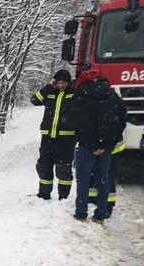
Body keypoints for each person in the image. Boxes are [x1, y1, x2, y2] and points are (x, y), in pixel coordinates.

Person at [71, 76, 127, 223]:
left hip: (86, 147)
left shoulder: (82, 97)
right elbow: (120, 122)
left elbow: (77, 123)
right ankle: (101, 214)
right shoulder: (114, 98)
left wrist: (89, 144)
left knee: (83, 181)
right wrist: (107, 145)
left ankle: (81, 213)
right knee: (103, 180)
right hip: (106, 149)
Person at [30, 69, 77, 200]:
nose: (61, 85)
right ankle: (44, 194)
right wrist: (49, 87)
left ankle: (63, 197)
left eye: (64, 83)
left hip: (66, 138)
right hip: (48, 137)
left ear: (68, 82)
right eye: (58, 83)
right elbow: (34, 100)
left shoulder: (74, 94)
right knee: (44, 166)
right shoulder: (50, 93)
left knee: (63, 169)